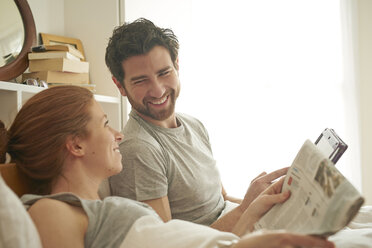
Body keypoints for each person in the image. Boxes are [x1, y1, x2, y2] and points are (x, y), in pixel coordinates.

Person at [0, 85, 334, 248]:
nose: (118, 134)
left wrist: (251, 212)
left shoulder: (98, 208)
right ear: (75, 144)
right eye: (104, 124)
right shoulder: (50, 211)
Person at [105, 18, 288, 230]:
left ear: (177, 66)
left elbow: (223, 200)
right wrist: (249, 206)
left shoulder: (194, 125)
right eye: (140, 81)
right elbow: (168, 244)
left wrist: (264, 203)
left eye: (164, 73)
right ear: (120, 85)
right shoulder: (139, 149)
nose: (157, 90)